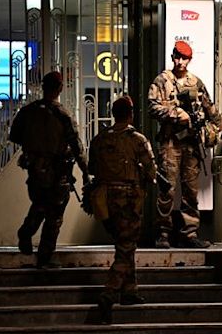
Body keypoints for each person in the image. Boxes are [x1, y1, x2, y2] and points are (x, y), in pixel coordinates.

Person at [148, 40, 222, 249]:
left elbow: (210, 108)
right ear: (173, 56)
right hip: (170, 143)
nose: (180, 61)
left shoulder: (195, 82)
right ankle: (163, 233)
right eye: (177, 57)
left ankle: (189, 233)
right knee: (167, 190)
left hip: (191, 144)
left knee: (191, 191)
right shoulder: (162, 81)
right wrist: (175, 114)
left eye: (184, 58)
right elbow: (152, 107)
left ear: (189, 60)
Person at [9, 71, 89, 269]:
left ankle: (27, 232)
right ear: (60, 88)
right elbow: (77, 147)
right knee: (54, 214)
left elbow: (16, 137)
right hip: (58, 171)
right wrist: (86, 173)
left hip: (35, 169)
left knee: (39, 204)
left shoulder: (27, 112)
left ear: (43, 86)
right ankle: (44, 256)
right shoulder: (63, 115)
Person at [88, 95, 157, 324]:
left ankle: (130, 290)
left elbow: (92, 168)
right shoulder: (137, 139)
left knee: (125, 243)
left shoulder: (99, 139)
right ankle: (109, 294)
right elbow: (151, 170)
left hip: (105, 200)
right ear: (130, 114)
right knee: (126, 246)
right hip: (128, 199)